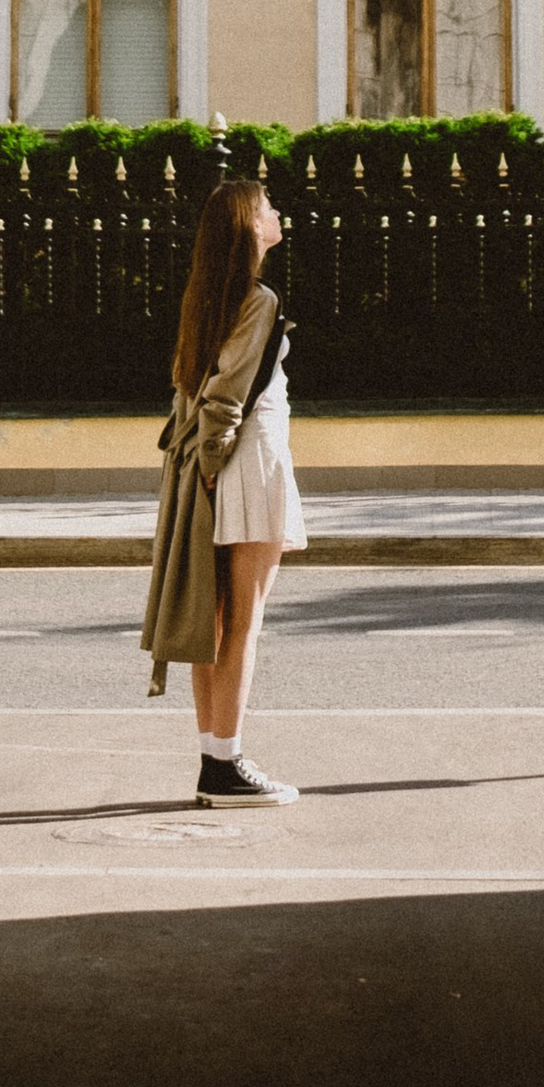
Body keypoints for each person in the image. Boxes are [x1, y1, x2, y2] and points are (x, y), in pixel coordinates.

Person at [140, 171, 307, 804]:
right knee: (244, 620)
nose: (276, 210)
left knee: (214, 621)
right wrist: (213, 463)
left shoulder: (206, 295)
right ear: (248, 227)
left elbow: (192, 388)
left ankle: (216, 757)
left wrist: (199, 469)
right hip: (246, 460)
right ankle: (226, 765)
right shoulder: (259, 299)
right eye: (267, 206)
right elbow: (225, 397)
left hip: (210, 466)